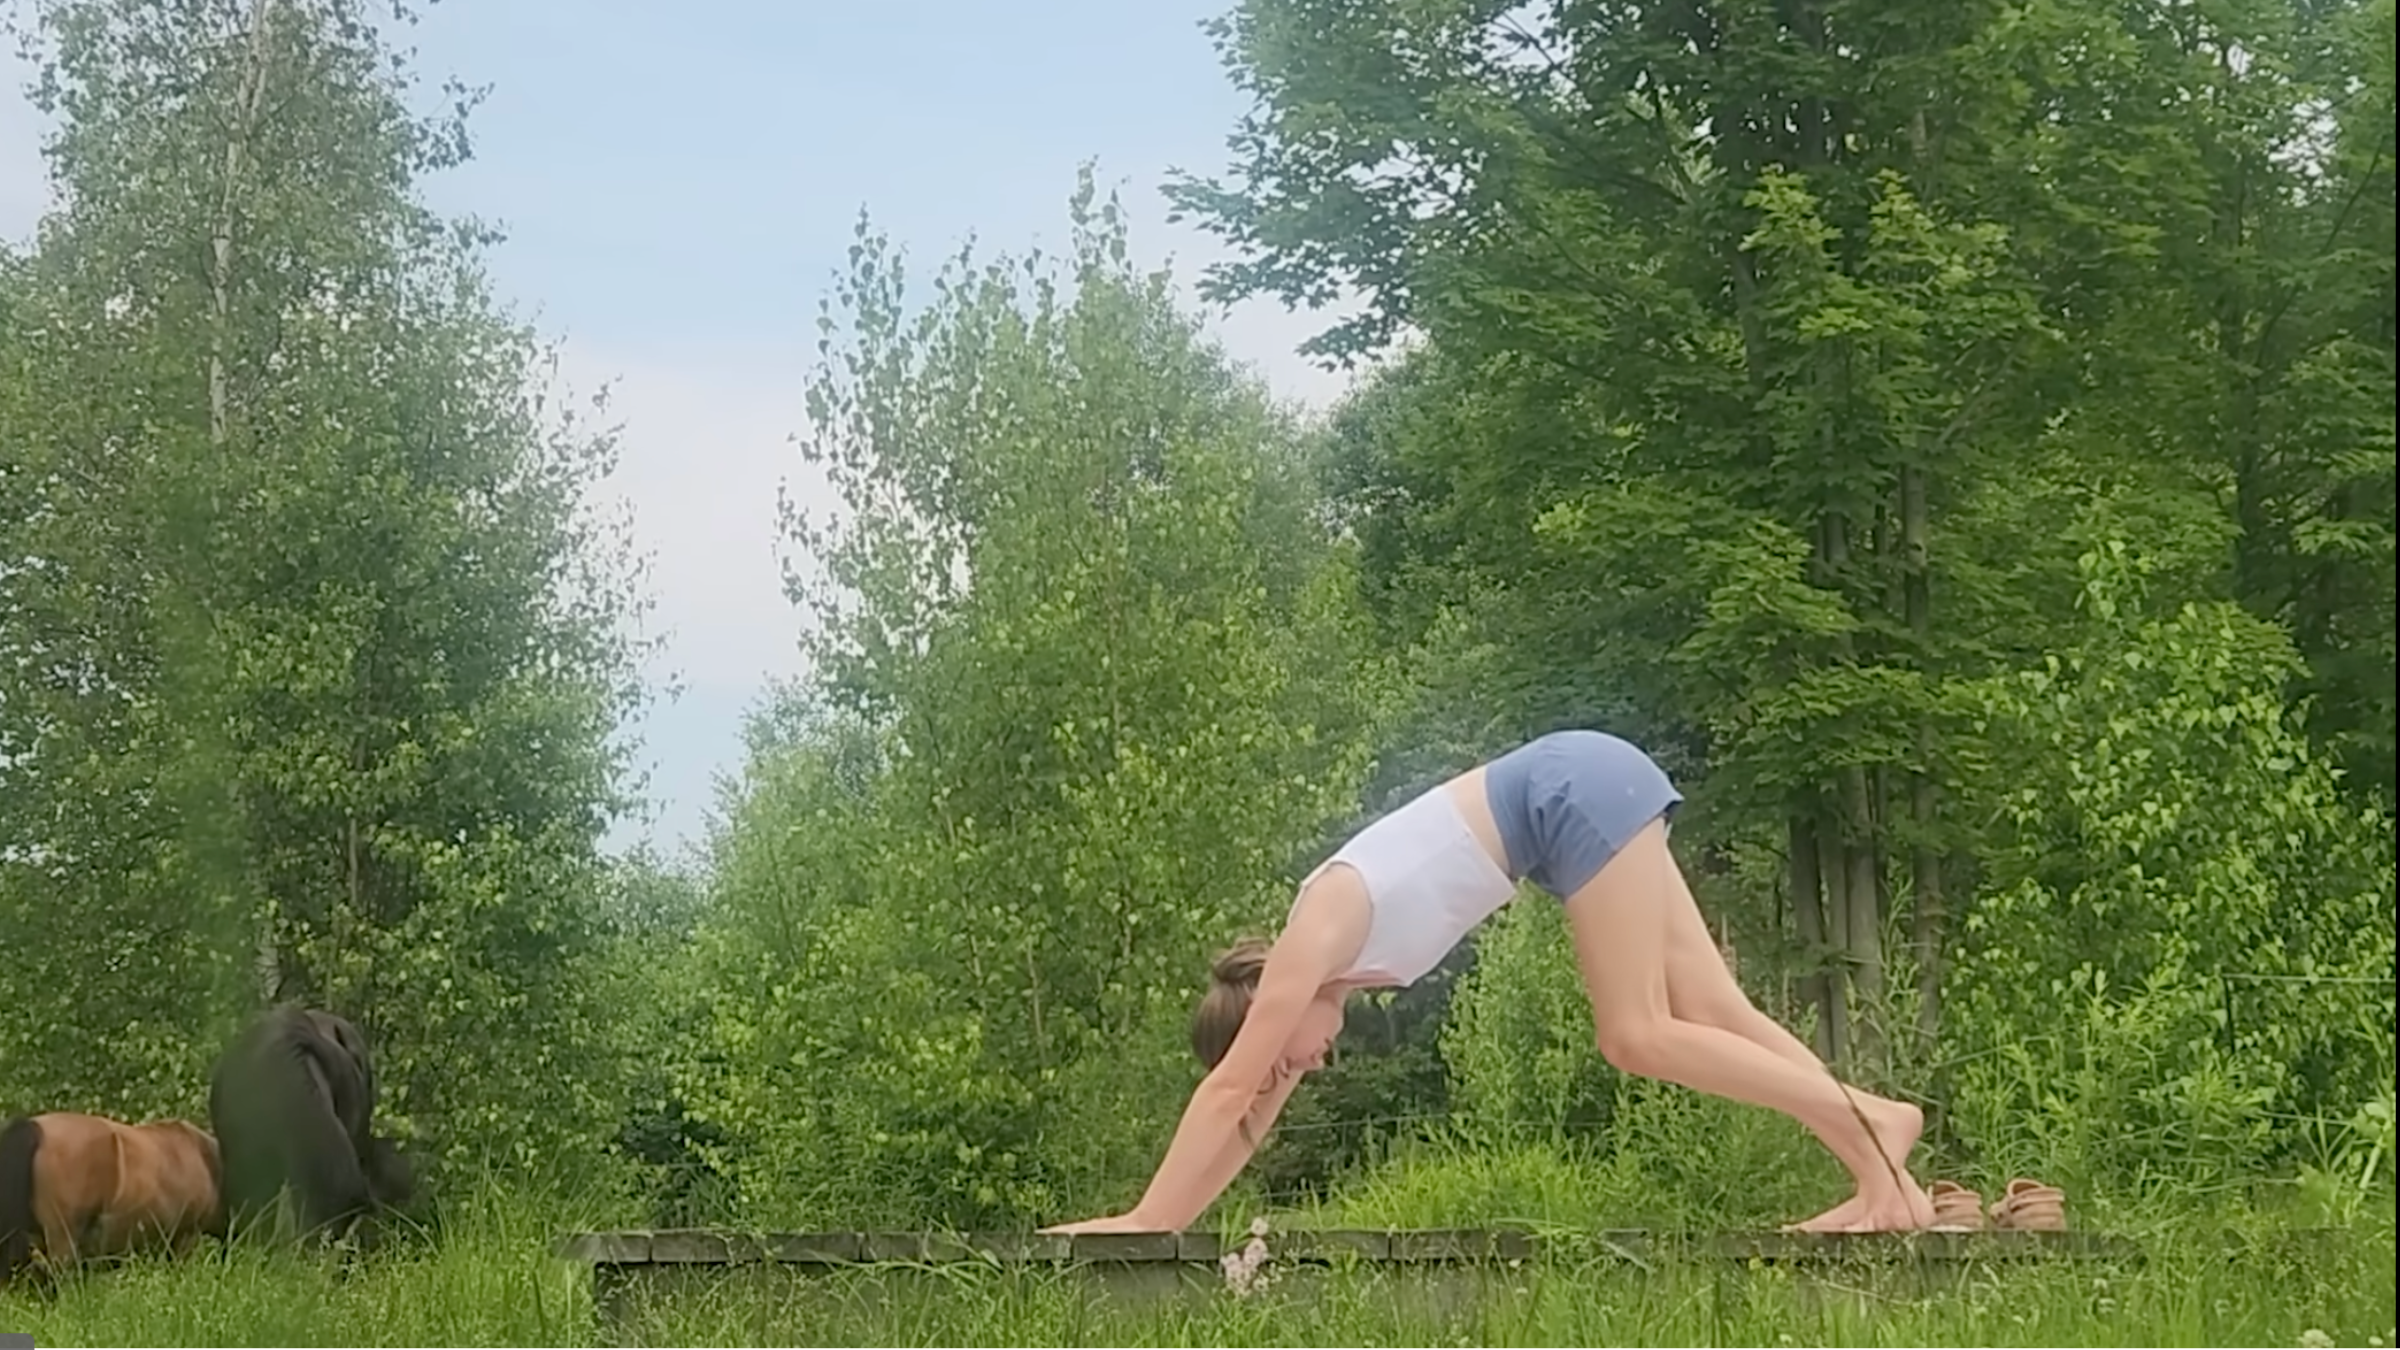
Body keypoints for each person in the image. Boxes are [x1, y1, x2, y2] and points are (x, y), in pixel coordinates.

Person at [1039, 728, 1940, 1236]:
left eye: (1288, 1058)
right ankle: (1881, 1174)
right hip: (1577, 798)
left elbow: (1234, 1084)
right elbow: (1244, 1122)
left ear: (1261, 1014)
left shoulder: (1315, 928)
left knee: (1635, 1033)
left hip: (1569, 795)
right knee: (1711, 1009)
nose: (1306, 1067)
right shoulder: (1337, 972)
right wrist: (1161, 1231)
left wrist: (1140, 1218)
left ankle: (1875, 1122)